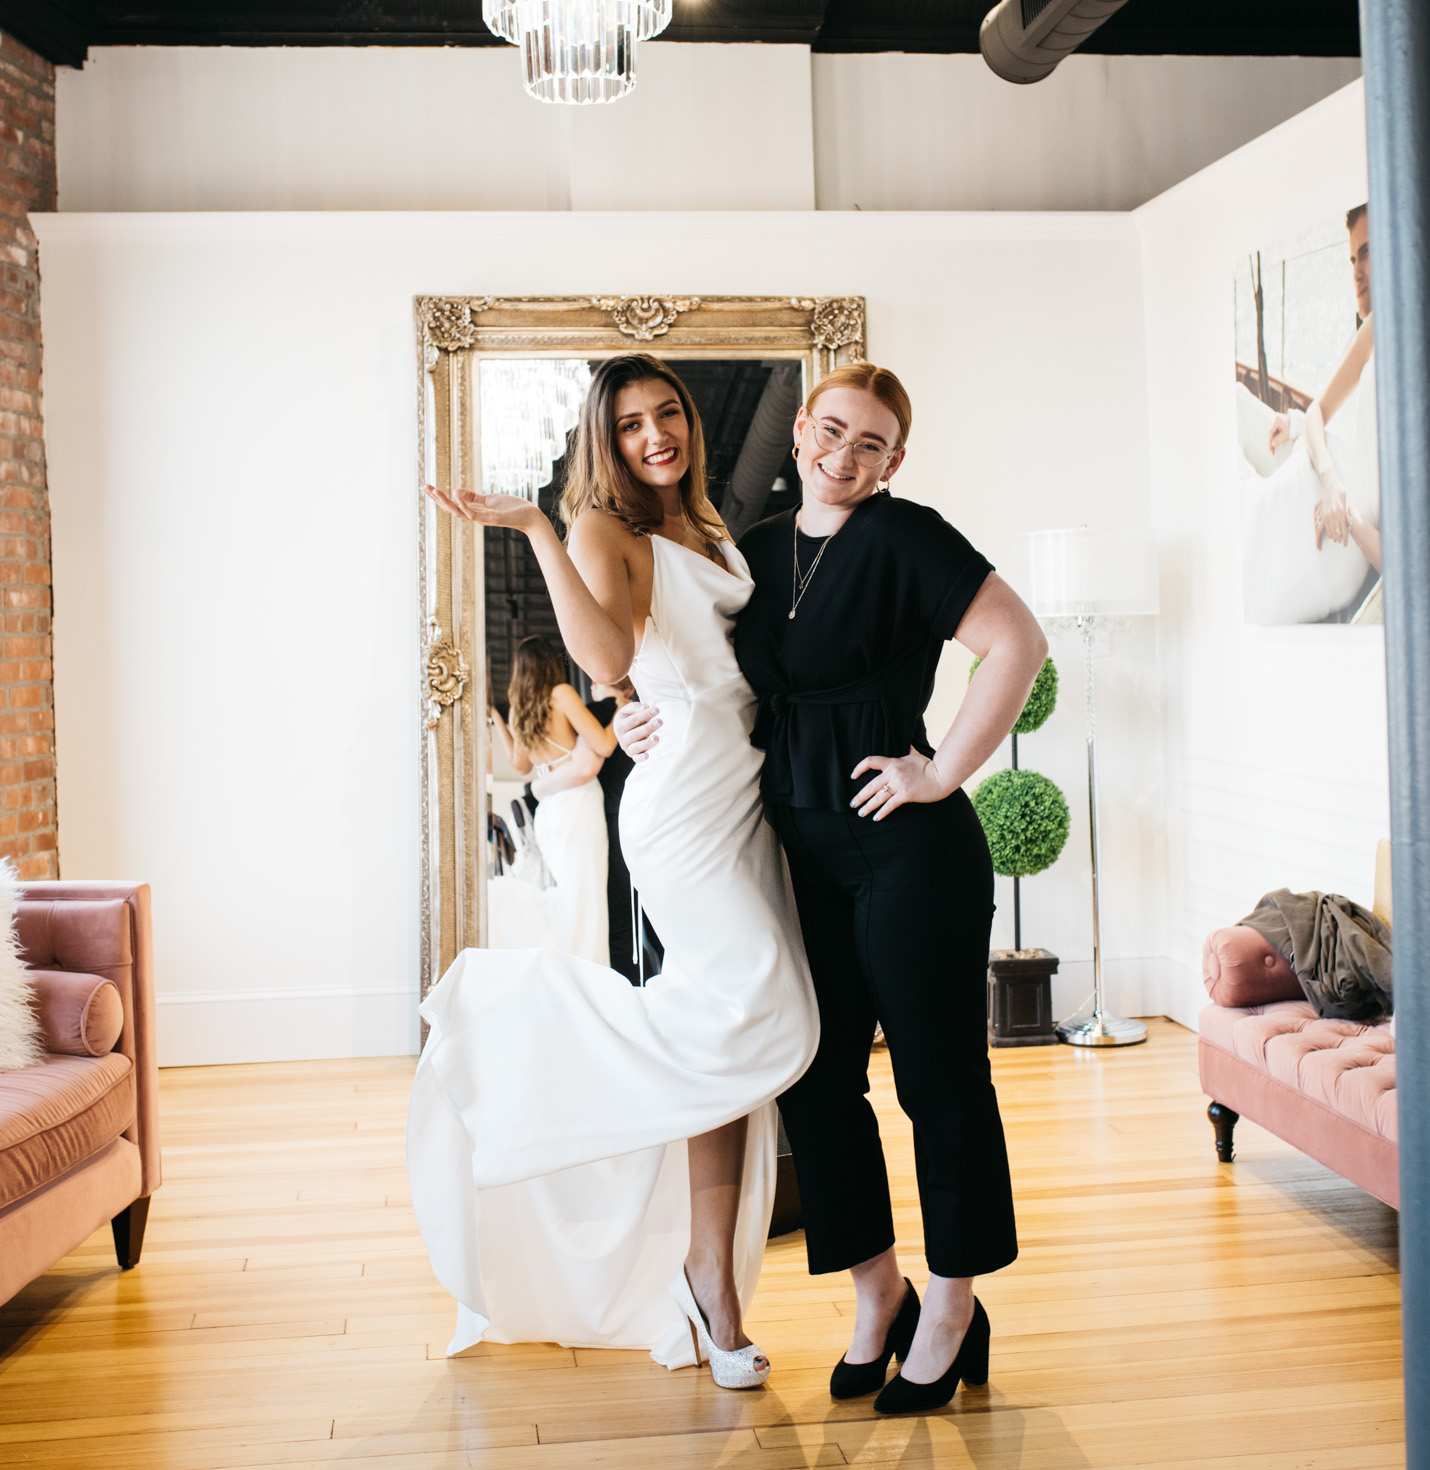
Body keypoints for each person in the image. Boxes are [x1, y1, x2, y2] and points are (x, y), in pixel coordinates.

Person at [617, 362, 1047, 1413]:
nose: (843, 455)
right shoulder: (753, 552)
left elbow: (1015, 644)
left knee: (936, 1082)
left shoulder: (910, 538)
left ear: (892, 461)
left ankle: (951, 1304)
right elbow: (699, 675)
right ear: (803, 427)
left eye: (870, 445)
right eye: (832, 431)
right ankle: (877, 1290)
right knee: (815, 1081)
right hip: (793, 847)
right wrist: (635, 712)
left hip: (910, 854)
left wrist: (940, 771)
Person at [407, 354, 819, 1387]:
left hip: (742, 787)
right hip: (680, 801)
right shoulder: (604, 527)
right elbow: (601, 660)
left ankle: (704, 1277)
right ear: (605, 437)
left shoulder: (710, 526)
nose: (653, 436)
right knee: (761, 1011)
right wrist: (542, 530)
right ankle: (512, 1040)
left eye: (665, 413)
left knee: (729, 1034)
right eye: (629, 423)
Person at [487, 634, 613, 966]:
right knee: (587, 902)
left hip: (549, 814)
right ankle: (586, 975)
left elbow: (520, 765)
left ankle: (563, 969)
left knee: (569, 900)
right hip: (577, 803)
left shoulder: (518, 712)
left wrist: (500, 722)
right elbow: (602, 744)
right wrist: (622, 712)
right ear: (550, 663)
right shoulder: (561, 695)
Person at [1269, 204, 1381, 574]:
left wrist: (1347, 513)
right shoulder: (1376, 329)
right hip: (1314, 482)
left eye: (1365, 253)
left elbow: (1399, 568)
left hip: (1334, 524)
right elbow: (1321, 413)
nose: (1356, 273)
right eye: (1351, 259)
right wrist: (1330, 481)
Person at [586, 675, 664, 984]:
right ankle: (654, 972)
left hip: (610, 815)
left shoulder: (597, 712)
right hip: (642, 810)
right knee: (647, 904)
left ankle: (627, 979)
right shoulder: (640, 711)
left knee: (618, 908)